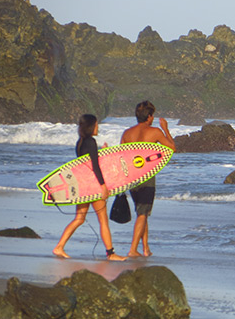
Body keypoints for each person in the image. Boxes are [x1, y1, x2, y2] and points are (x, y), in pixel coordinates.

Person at [53, 114, 127, 261]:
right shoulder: (91, 142)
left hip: (83, 185)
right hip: (93, 186)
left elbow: (86, 164)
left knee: (79, 218)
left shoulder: (80, 143)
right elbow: (95, 167)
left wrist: (102, 153)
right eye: (96, 124)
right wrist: (103, 186)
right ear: (91, 126)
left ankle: (59, 247)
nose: (97, 127)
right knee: (103, 220)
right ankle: (110, 253)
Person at [120, 101, 175, 257]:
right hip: (146, 177)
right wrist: (165, 129)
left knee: (141, 213)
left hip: (131, 177)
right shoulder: (155, 132)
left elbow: (121, 159)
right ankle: (132, 250)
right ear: (149, 117)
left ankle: (145, 248)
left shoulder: (127, 133)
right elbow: (172, 148)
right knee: (143, 213)